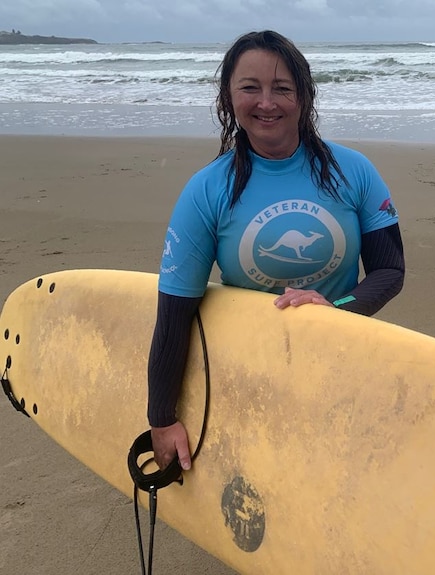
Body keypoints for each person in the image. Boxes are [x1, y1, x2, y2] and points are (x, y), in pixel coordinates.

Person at [147, 30, 405, 471]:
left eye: (282, 88)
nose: (266, 102)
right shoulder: (207, 190)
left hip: (340, 354)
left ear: (303, 97)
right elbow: (175, 312)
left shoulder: (354, 170)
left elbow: (389, 271)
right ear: (229, 98)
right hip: (251, 367)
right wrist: (162, 418)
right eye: (250, 88)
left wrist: (335, 306)